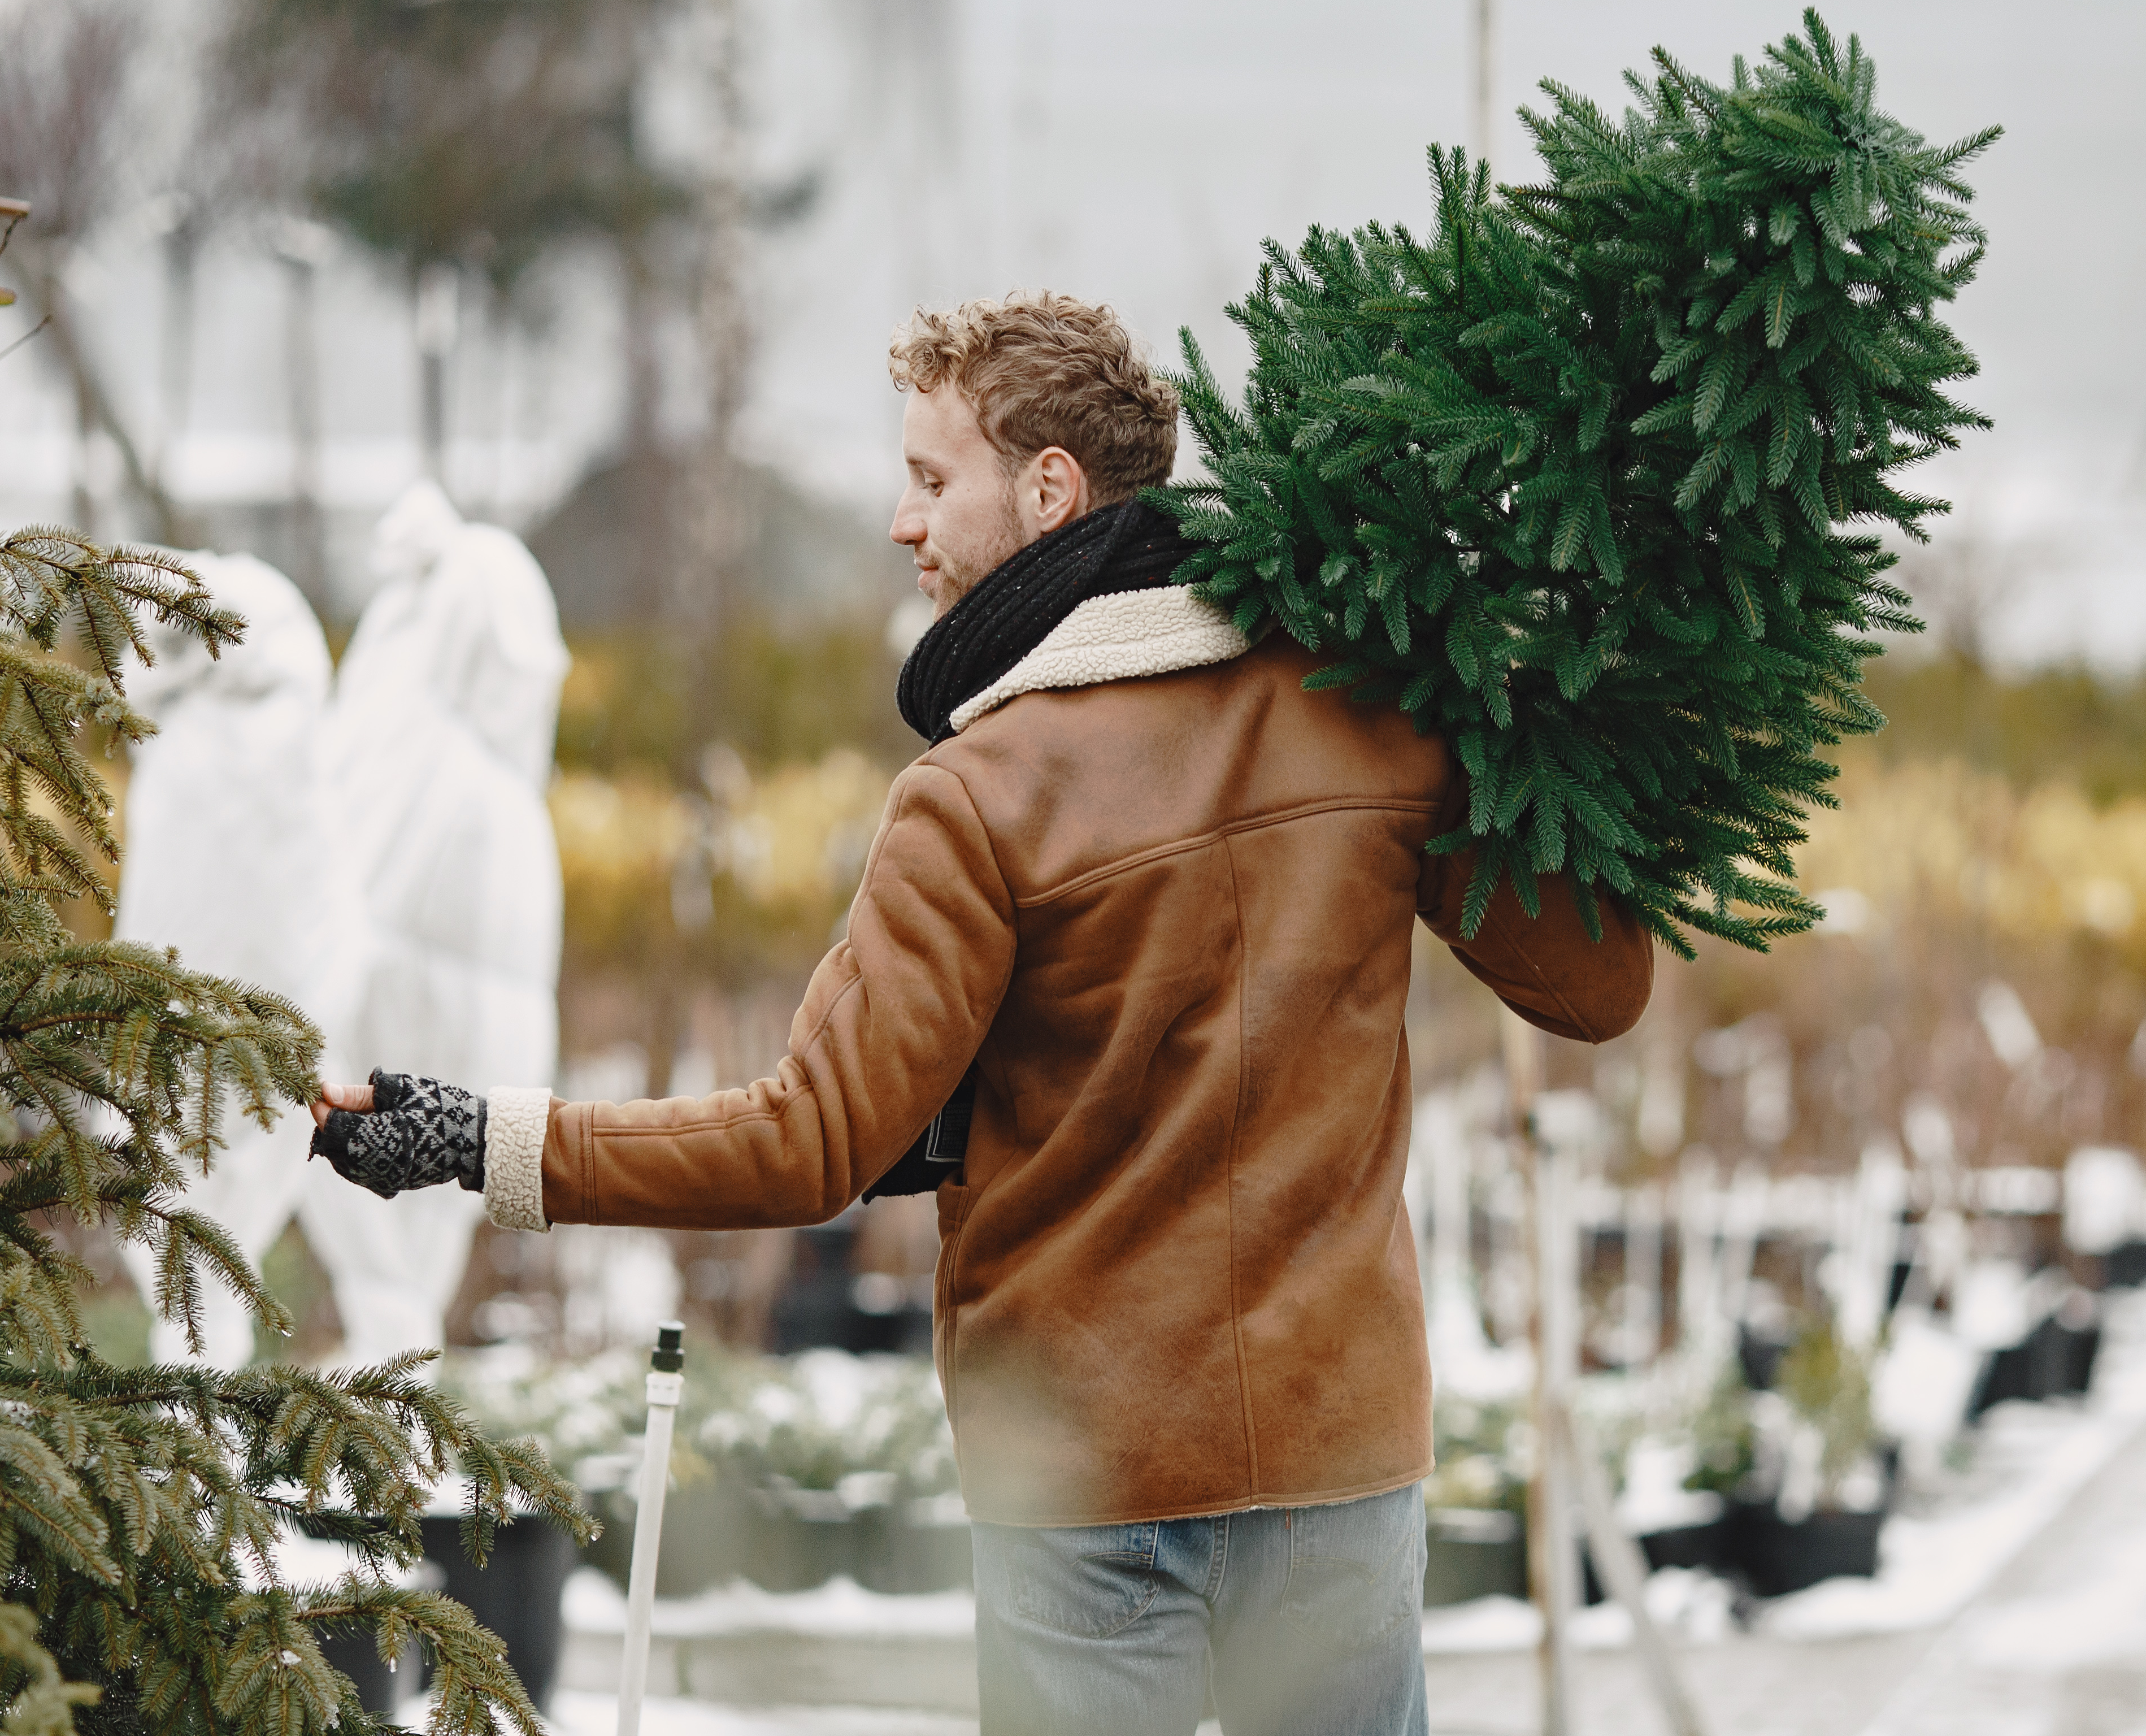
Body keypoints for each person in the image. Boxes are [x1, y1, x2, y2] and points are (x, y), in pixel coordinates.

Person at [307, 293, 1653, 1734]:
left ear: (1051, 490)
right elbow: (1598, 987)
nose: (902, 521)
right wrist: (1524, 702)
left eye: (932, 478)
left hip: (1088, 1491)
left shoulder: (977, 795)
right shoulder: (1368, 707)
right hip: (1339, 1468)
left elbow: (806, 1144)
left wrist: (483, 1138)